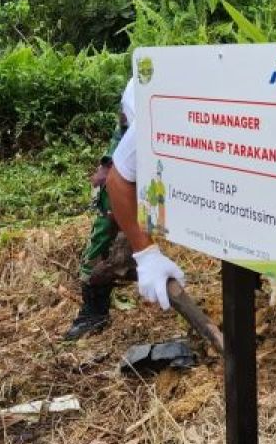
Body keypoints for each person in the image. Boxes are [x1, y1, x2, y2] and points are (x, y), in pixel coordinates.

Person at [62, 79, 186, 339]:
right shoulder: (154, 113)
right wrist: (146, 254)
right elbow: (117, 181)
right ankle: (94, 307)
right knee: (109, 213)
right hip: (136, 123)